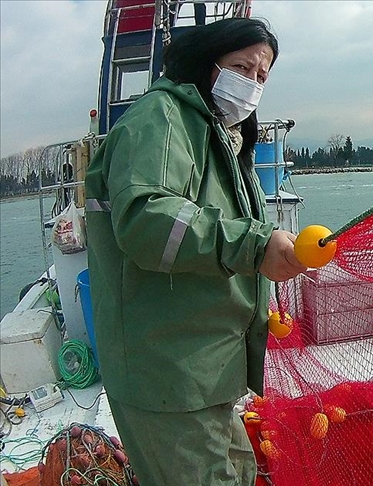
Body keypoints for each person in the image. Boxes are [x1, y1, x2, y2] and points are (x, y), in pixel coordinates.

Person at [84, 17, 304, 485]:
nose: (251, 84)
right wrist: (256, 245)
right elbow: (147, 220)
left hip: (206, 372)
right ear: (208, 65)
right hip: (168, 372)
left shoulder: (220, 136)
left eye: (261, 76)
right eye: (241, 68)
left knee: (241, 471)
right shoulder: (161, 118)